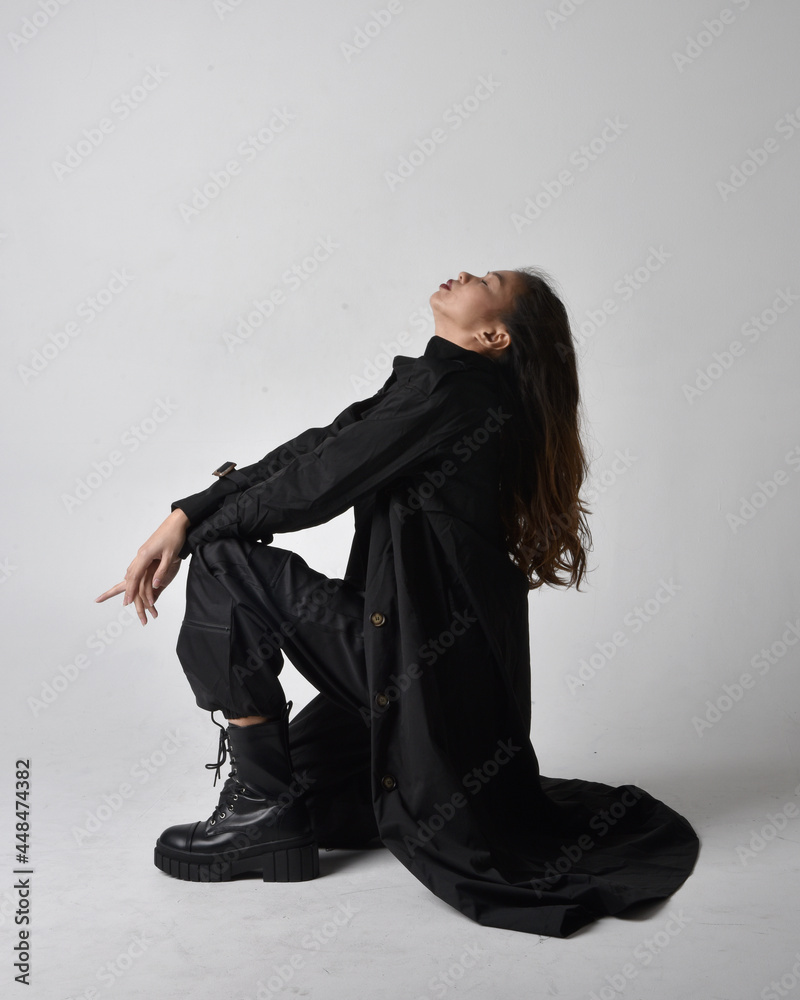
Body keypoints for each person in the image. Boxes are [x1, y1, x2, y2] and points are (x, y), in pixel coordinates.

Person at [95, 267, 700, 937]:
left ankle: (258, 815)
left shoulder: (454, 393)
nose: (465, 273)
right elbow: (318, 449)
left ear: (494, 335)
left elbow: (312, 487)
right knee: (313, 790)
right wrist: (187, 512)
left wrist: (191, 536)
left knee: (222, 562)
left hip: (420, 661)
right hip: (431, 663)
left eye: (487, 281)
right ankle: (279, 807)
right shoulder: (439, 385)